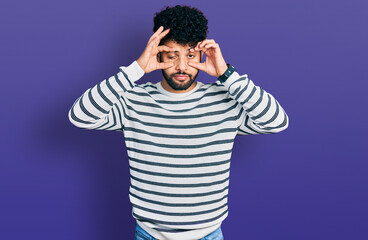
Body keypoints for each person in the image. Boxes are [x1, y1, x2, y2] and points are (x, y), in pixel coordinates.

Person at [68, 5, 289, 240]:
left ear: (203, 55)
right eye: (172, 55)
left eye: (191, 55)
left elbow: (276, 121)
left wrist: (227, 75)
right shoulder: (133, 100)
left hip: (208, 234)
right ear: (159, 54)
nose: (182, 66)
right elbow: (80, 115)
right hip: (149, 234)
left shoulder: (225, 100)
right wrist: (135, 70)